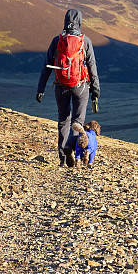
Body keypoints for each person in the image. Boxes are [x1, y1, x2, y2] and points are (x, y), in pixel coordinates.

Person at [36, 9, 100, 166]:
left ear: (65, 21)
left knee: (63, 120)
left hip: (61, 86)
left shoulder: (57, 40)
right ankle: (73, 148)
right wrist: (95, 91)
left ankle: (63, 159)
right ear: (80, 22)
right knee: (78, 122)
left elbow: (47, 67)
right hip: (81, 87)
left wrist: (40, 89)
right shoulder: (85, 41)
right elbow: (92, 67)